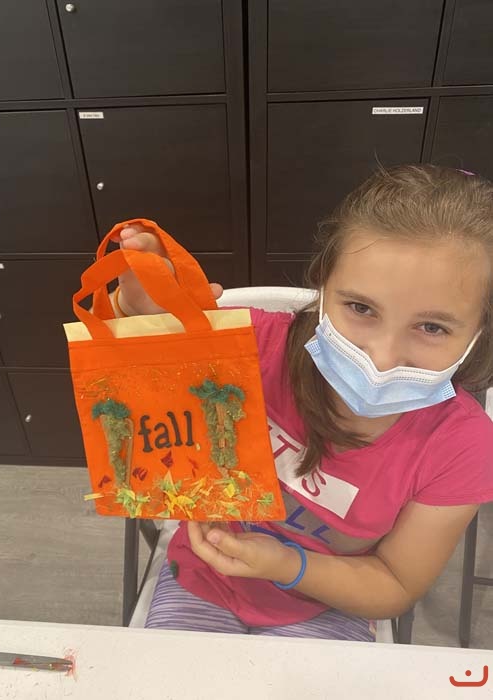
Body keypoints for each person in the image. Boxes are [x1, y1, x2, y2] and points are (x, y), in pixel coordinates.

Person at [111, 164, 493, 641]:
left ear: (479, 332)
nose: (382, 357)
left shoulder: (462, 447)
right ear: (323, 288)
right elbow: (142, 389)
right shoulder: (251, 346)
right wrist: (141, 314)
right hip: (204, 575)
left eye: (432, 327)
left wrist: (287, 565)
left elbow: (395, 583)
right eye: (360, 308)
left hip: (329, 600)